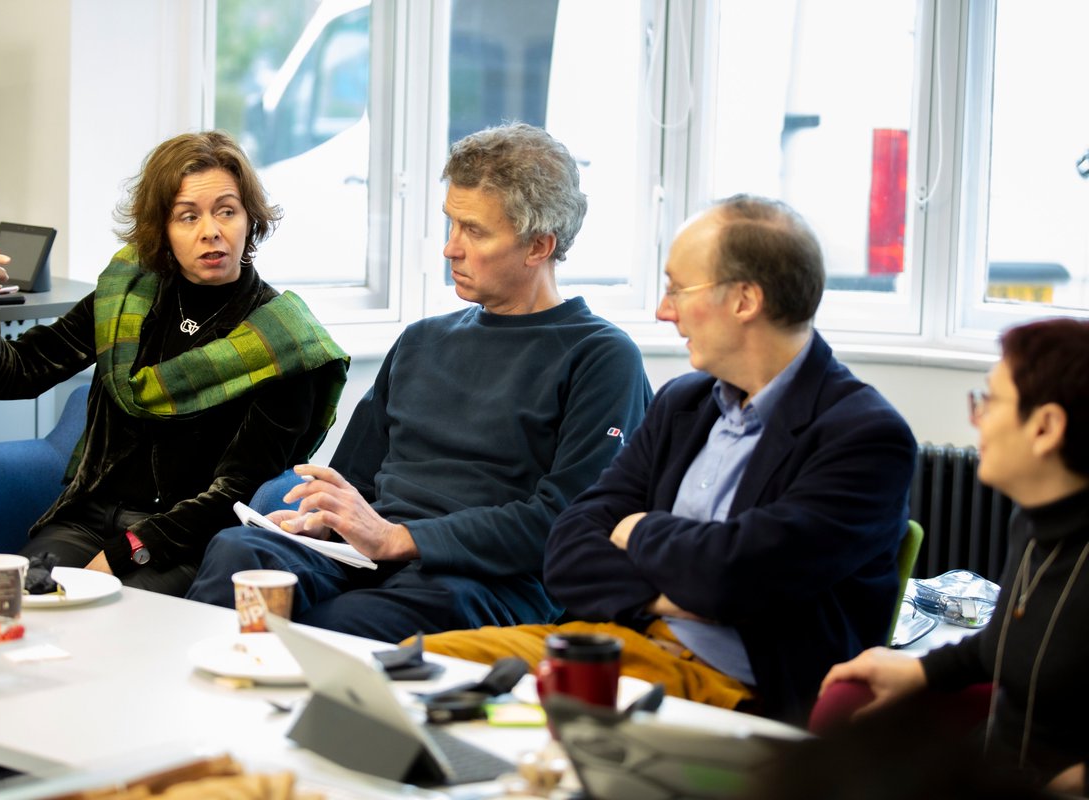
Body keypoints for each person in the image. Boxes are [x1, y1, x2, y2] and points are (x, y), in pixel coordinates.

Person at [422, 194, 917, 724]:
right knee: (414, 666)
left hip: (738, 694)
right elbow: (567, 551)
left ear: (745, 300)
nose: (664, 309)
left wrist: (637, 532)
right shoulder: (685, 403)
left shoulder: (865, 436)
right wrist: (677, 594)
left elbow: (735, 576)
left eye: (679, 288)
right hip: (613, 649)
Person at [185, 122, 652, 642]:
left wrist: (399, 538)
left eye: (474, 231)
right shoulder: (422, 341)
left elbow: (565, 522)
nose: (450, 248)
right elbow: (353, 480)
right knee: (238, 554)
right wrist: (324, 519)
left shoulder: (601, 357)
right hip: (370, 555)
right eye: (451, 223)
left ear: (538, 246)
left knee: (335, 629)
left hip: (481, 581)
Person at [0, 130, 349, 597]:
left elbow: (239, 488)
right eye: (187, 216)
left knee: (117, 625)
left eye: (226, 211)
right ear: (162, 228)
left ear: (249, 220)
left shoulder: (283, 339)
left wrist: (125, 552)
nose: (210, 231)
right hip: (86, 518)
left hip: (189, 540)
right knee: (16, 606)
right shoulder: (127, 299)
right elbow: (12, 376)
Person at [820, 317, 1089, 790]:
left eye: (990, 401)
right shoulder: (1032, 520)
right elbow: (1001, 644)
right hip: (993, 762)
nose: (976, 418)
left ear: (1046, 426)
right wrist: (921, 671)